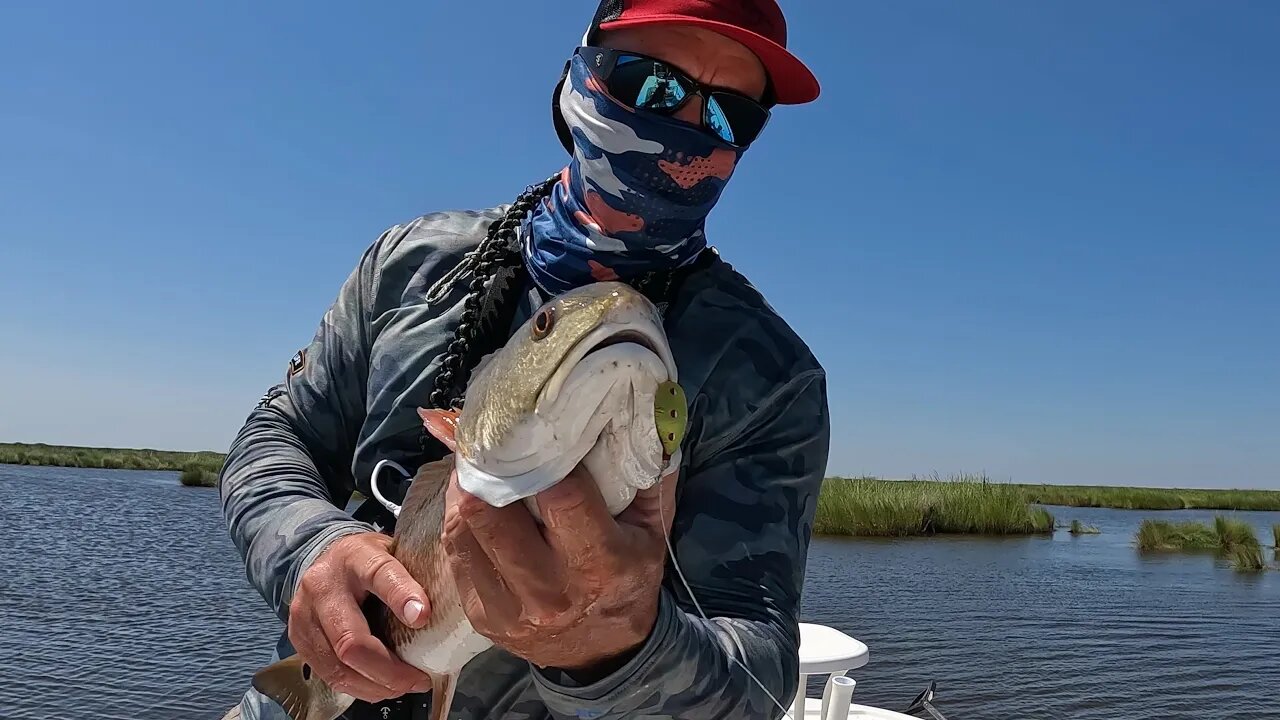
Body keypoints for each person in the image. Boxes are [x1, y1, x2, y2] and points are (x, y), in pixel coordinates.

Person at [219, 1, 830, 718]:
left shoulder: (768, 380)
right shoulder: (413, 265)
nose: (690, 128)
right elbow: (277, 436)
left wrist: (623, 651)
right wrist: (310, 549)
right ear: (580, 75)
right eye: (654, 87)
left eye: (731, 115)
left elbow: (758, 668)